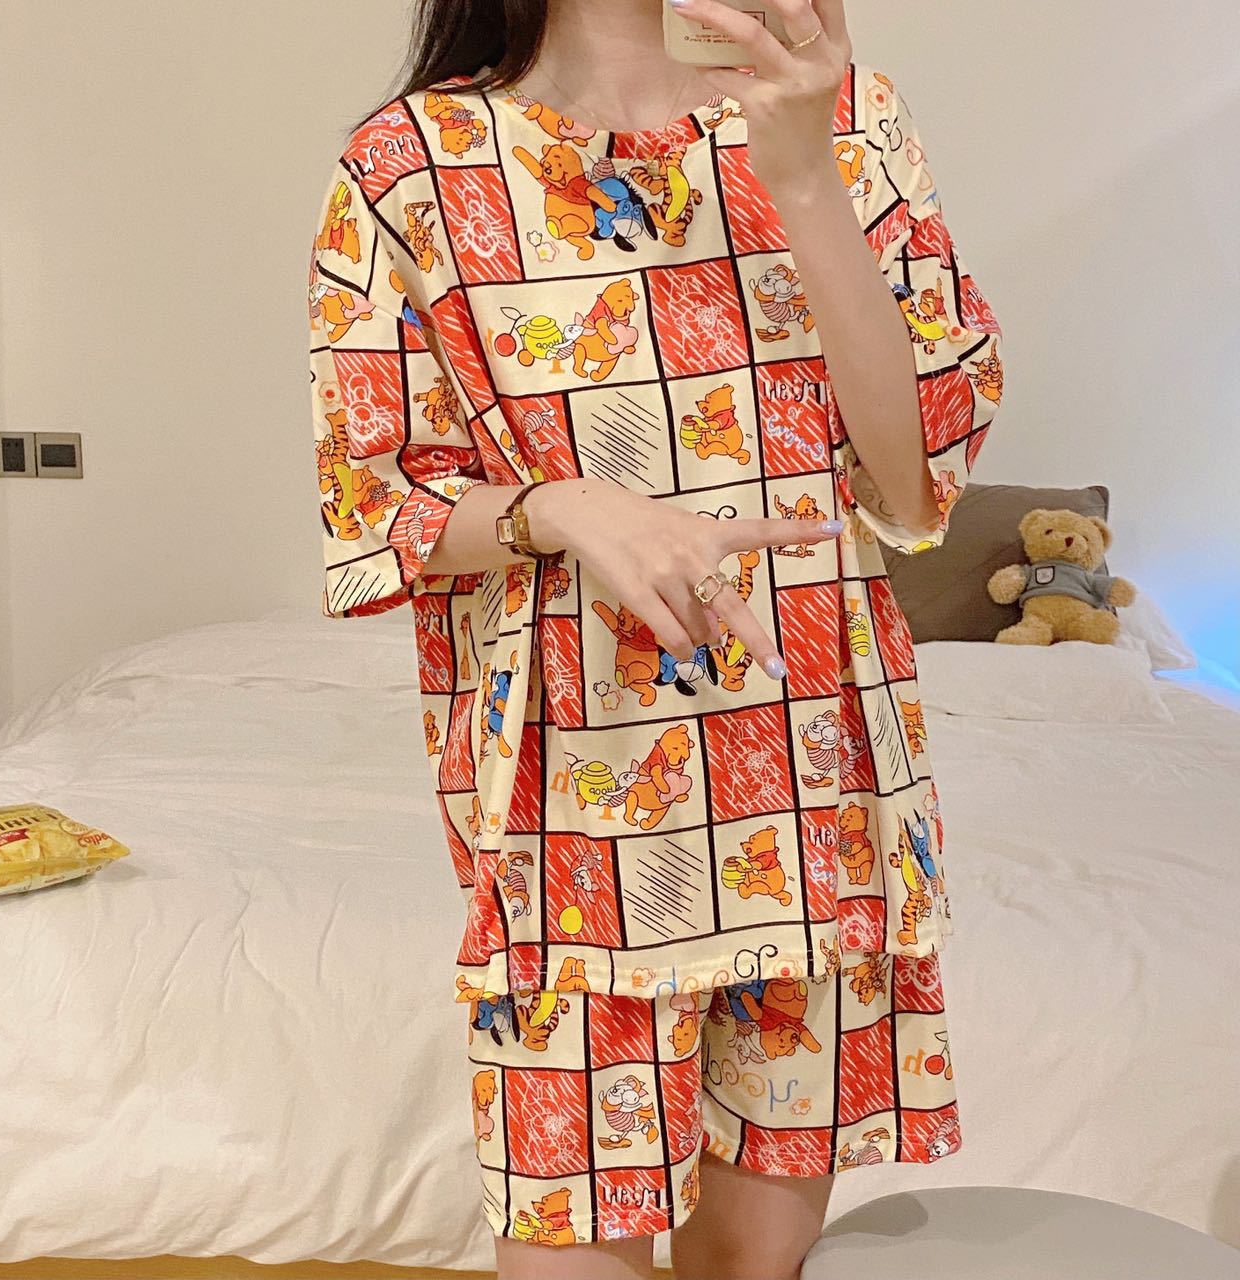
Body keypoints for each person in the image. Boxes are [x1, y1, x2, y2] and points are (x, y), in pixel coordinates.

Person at [307, 1, 1006, 1276]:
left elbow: (912, 489)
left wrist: (800, 169)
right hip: (572, 812)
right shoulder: (411, 161)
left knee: (753, 1268)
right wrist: (560, 505)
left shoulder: (845, 114)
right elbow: (376, 503)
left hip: (807, 778)